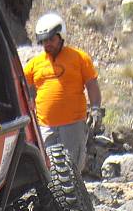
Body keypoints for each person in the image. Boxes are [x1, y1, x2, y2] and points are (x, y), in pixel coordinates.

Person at [23, 12, 103, 171]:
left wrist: (95, 109)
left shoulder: (79, 58)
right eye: (44, 41)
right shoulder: (34, 64)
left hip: (73, 125)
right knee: (47, 170)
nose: (48, 44)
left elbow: (92, 85)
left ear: (61, 36)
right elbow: (24, 88)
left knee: (72, 169)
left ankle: (74, 196)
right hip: (45, 126)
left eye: (51, 39)